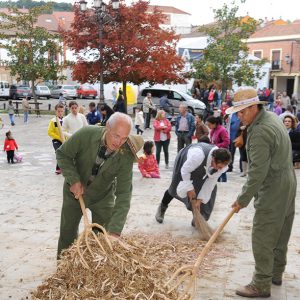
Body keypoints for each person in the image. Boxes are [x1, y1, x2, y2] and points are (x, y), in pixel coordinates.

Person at [226, 87, 296, 298]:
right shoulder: (273, 118)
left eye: (242, 111)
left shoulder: (259, 132)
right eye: (238, 112)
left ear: (254, 107)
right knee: (281, 230)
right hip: (288, 181)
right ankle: (276, 273)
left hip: (273, 185)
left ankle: (261, 284)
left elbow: (256, 173)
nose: (239, 116)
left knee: (263, 234)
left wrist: (242, 199)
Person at [56, 112, 144, 258]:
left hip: (103, 197)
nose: (119, 142)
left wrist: (115, 231)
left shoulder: (125, 154)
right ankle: (62, 269)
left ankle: (95, 270)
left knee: (102, 238)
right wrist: (74, 180)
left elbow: (124, 193)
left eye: (124, 138)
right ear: (107, 127)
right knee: (67, 233)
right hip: (74, 192)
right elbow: (62, 154)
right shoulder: (86, 134)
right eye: (116, 136)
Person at [155, 144, 231, 224]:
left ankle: (197, 217)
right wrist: (189, 188)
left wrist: (199, 200)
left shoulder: (223, 165)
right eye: (219, 167)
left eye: (222, 167)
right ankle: (162, 207)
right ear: (213, 159)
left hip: (200, 165)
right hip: (185, 162)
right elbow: (185, 170)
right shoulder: (198, 156)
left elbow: (210, 184)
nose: (220, 169)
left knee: (202, 189)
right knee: (175, 186)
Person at [206, 116, 230, 182]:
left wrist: (216, 146)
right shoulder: (213, 130)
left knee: (222, 170)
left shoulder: (222, 130)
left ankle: (224, 183)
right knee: (216, 171)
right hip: (216, 153)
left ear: (214, 123)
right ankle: (216, 182)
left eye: (209, 125)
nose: (208, 126)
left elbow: (227, 142)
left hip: (222, 153)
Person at [47, 104, 65, 174]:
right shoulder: (53, 121)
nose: (60, 113)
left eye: (61, 111)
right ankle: (58, 168)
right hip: (56, 140)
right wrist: (58, 137)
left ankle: (64, 167)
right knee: (59, 152)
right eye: (58, 111)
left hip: (65, 140)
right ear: (55, 111)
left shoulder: (65, 120)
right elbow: (50, 132)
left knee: (64, 154)